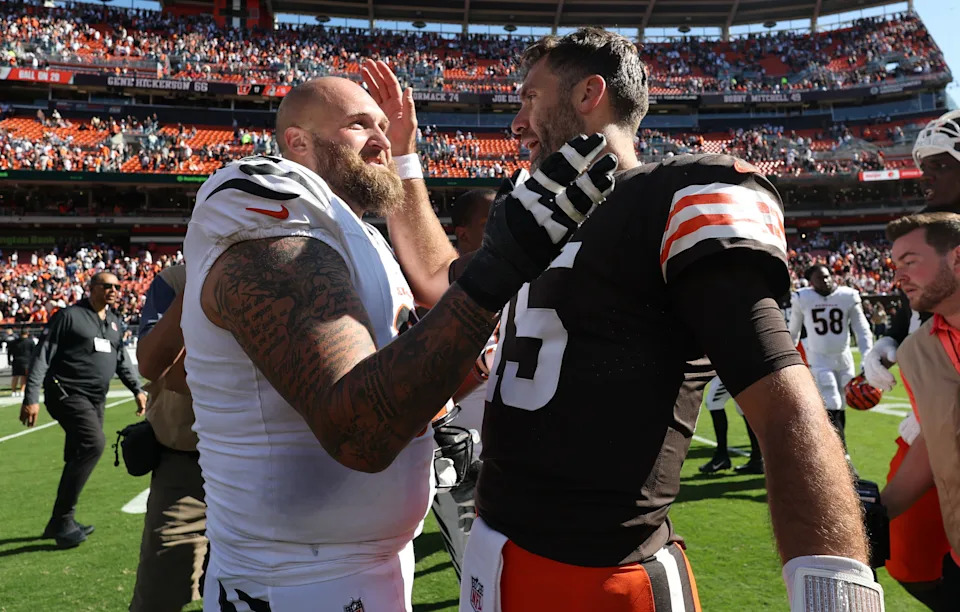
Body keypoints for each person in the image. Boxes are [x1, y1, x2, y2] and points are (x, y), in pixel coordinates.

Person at [458, 28, 880, 612]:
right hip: (493, 551)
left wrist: (836, 599)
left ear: (589, 95)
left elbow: (784, 406)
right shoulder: (534, 217)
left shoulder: (675, 195)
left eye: (530, 98)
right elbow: (446, 284)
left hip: (602, 575)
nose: (516, 121)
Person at [180, 59, 615, 611]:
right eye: (361, 124)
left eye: (384, 127)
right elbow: (357, 429)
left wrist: (449, 407)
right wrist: (501, 266)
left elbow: (399, 358)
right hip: (289, 583)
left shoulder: (358, 234)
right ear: (298, 142)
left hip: (369, 565)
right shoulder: (263, 199)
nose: (381, 137)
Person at [860, 109, 960, 607]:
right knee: (910, 557)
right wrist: (891, 340)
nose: (926, 178)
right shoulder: (932, 239)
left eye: (939, 166)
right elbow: (917, 306)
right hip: (933, 421)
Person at [19, 271, 147, 549]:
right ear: (92, 288)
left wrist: (137, 390)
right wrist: (31, 396)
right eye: (107, 286)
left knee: (78, 452)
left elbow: (122, 362)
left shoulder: (114, 323)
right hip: (66, 392)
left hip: (95, 398)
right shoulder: (69, 317)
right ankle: (63, 520)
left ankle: (60, 520)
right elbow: (43, 355)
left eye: (117, 286)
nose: (113, 290)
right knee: (93, 443)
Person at [880, 212, 960, 611]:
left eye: (910, 262)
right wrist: (876, 513)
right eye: (896, 266)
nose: (899, 277)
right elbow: (935, 438)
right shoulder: (916, 352)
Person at [130, 264, 207, 612]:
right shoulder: (177, 278)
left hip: (266, 467)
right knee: (159, 595)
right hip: (186, 463)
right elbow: (156, 365)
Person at [432, 188, 497, 579]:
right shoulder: (434, 294)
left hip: (513, 461)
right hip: (459, 463)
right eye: (490, 223)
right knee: (476, 579)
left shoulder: (519, 284)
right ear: (463, 234)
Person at [788, 264, 874, 462]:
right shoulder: (803, 298)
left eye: (827, 277)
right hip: (819, 358)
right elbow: (794, 330)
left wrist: (867, 357)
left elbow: (862, 330)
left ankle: (835, 447)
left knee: (843, 402)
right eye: (820, 278)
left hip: (843, 357)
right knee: (831, 400)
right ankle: (841, 455)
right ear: (811, 282)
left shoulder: (847, 296)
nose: (825, 281)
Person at [697, 376, 763, 474]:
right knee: (743, 406)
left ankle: (721, 456)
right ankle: (757, 459)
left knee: (713, 402)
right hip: (738, 369)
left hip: (733, 369)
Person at [8, 328, 35, 398]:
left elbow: (9, 352)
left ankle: (13, 391)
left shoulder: (14, 342)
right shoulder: (30, 342)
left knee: (15, 377)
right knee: (24, 377)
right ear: (27, 333)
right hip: (26, 361)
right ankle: (22, 391)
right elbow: (34, 352)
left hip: (16, 360)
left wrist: (9, 361)